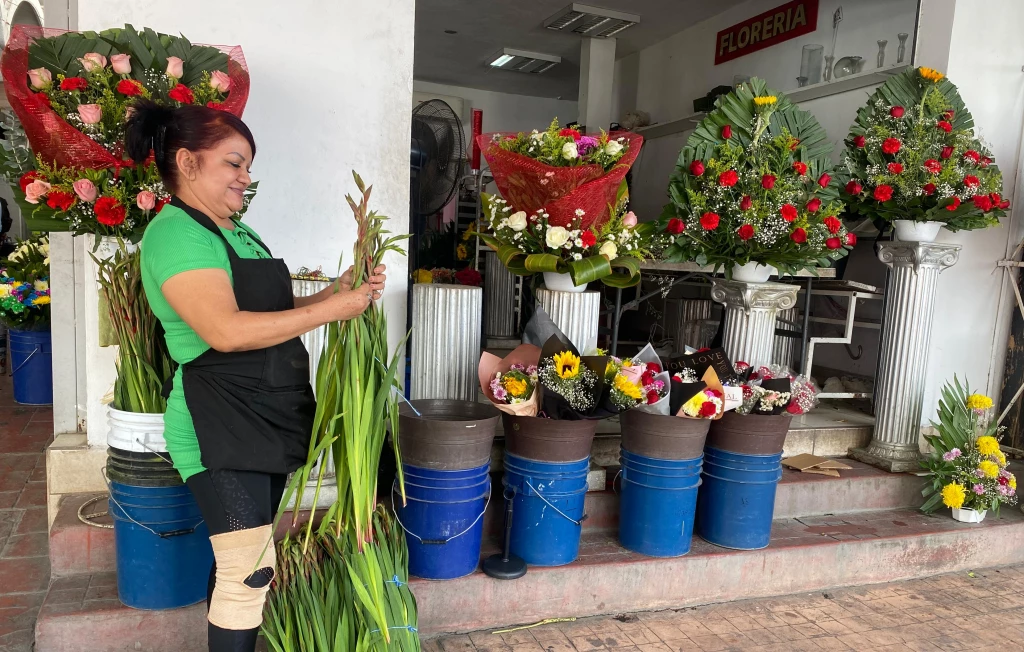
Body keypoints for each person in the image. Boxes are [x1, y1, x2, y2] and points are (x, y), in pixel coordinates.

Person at [128, 100, 386, 652]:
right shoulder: (176, 234)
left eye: (248, 166)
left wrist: (341, 289)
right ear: (187, 162)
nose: (247, 178)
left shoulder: (233, 231)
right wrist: (327, 314)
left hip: (259, 415)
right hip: (217, 421)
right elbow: (224, 329)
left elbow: (269, 304)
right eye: (234, 163)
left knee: (240, 563)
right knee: (250, 575)